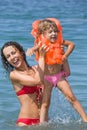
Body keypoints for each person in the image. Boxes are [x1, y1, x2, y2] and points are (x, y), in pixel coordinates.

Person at [26, 18, 87, 123]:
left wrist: (65, 56)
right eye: (50, 32)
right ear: (43, 34)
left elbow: (72, 45)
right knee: (45, 103)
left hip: (59, 76)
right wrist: (31, 50)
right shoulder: (41, 44)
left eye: (55, 31)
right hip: (46, 78)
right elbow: (33, 48)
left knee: (72, 98)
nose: (53, 34)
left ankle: (85, 120)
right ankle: (42, 125)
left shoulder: (60, 41)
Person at [1, 41, 47, 127]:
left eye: (13, 53)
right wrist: (41, 57)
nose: (12, 57)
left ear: (21, 52)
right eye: (8, 56)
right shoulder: (14, 75)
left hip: (43, 120)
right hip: (26, 122)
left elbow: (56, 71)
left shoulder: (36, 69)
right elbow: (37, 81)